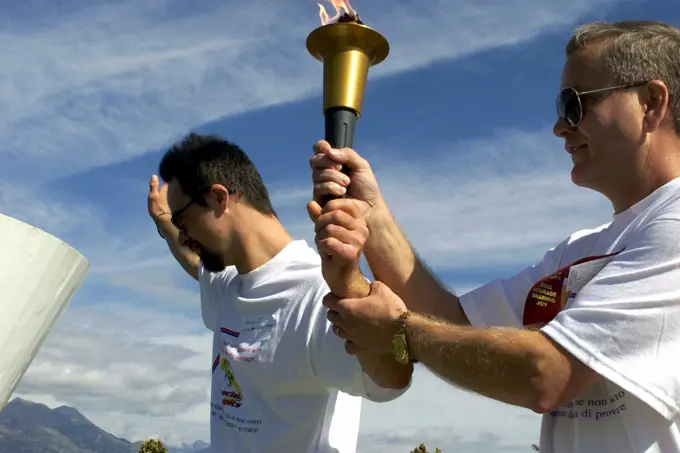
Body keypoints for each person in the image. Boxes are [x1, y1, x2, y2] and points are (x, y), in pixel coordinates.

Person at [308, 20, 680, 453]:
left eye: (574, 104)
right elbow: (455, 319)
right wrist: (373, 218)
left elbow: (545, 374)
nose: (560, 127)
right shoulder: (583, 250)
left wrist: (400, 332)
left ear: (651, 103)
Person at [146, 132, 411, 453]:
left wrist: (383, 317)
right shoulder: (228, 281)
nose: (184, 235)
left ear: (219, 198)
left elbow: (392, 379)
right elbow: (193, 262)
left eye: (183, 220)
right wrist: (164, 220)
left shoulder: (319, 292)